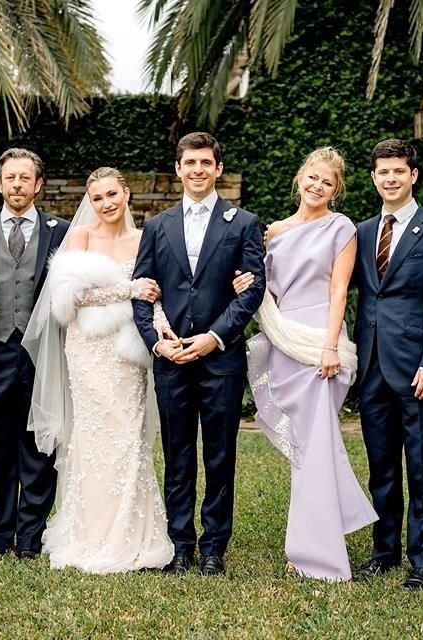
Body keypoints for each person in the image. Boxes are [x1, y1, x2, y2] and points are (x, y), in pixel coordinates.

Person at [23, 167, 174, 573]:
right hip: (88, 351)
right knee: (93, 437)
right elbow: (66, 299)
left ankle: (132, 531)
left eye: (112, 194)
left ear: (126, 194)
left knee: (128, 434)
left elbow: (155, 294)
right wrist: (127, 289)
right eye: (97, 198)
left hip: (127, 353)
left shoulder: (145, 240)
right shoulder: (81, 237)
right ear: (89, 203)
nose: (106, 203)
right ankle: (91, 533)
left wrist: (160, 324)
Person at [132, 132, 266, 576]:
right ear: (178, 168)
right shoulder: (157, 225)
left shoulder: (243, 222)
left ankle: (214, 547)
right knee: (177, 452)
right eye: (190, 163)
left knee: (220, 453)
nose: (197, 170)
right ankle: (180, 544)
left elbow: (252, 291)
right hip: (170, 358)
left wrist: (215, 336)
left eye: (206, 163)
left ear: (218, 169)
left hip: (220, 358)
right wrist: (156, 341)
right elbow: (141, 292)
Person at [244, 147, 377, 581]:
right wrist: (245, 282)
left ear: (336, 191)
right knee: (307, 449)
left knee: (316, 446)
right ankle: (323, 533)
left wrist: (329, 347)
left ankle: (316, 555)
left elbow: (340, 291)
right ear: (300, 177)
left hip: (321, 343)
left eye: (328, 183)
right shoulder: (274, 232)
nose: (318, 186)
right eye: (313, 177)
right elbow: (267, 291)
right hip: (285, 341)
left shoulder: (341, 229)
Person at [352, 139, 423, 589]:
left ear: (413, 175)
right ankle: (384, 551)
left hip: (419, 369)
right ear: (374, 178)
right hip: (372, 366)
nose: (391, 179)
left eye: (399, 171)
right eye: (383, 172)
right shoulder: (359, 233)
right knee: (381, 467)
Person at [0, 149, 69, 558]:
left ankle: (31, 536)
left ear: (38, 185)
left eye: (26, 178)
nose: (18, 185)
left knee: (40, 446)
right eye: (11, 178)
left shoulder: (61, 231)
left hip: (43, 355)